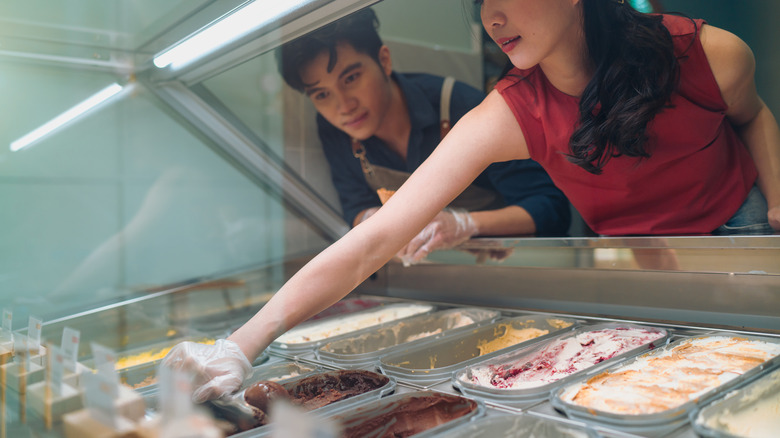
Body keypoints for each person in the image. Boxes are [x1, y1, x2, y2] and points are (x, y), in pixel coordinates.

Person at [163, 0, 780, 402]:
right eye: (481, 1)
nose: (492, 16)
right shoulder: (510, 111)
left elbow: (755, 117)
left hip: (740, 227)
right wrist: (240, 344)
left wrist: (778, 207)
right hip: (635, 258)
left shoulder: (706, 53)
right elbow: (373, 240)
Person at [277, 8, 570, 265]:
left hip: (516, 273)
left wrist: (463, 224)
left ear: (384, 60)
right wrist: (373, 223)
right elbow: (355, 207)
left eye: (351, 78)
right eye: (322, 94)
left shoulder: (459, 106)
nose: (343, 106)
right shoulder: (333, 128)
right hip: (435, 283)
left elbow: (551, 208)